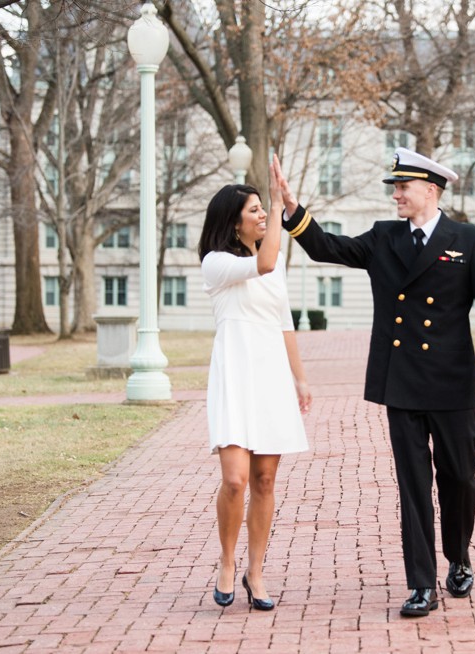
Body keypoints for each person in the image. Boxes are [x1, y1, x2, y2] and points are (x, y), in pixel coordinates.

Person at [272, 148, 475, 617]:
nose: (396, 194)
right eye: (395, 187)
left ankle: (459, 556)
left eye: (403, 187)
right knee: (413, 484)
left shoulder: (469, 239)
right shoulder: (384, 238)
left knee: (459, 477)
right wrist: (293, 210)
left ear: (431, 190)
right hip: (401, 382)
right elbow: (328, 248)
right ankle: (422, 584)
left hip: (452, 381)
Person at [198, 157, 311, 612]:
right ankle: (227, 561)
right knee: (235, 479)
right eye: (254, 210)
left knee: (264, 480)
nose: (262, 215)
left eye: (264, 210)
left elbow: (283, 322)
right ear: (233, 221)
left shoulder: (273, 264)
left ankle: (255, 571)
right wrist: (283, 203)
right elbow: (264, 263)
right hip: (234, 372)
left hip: (271, 376)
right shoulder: (216, 263)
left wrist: (300, 378)